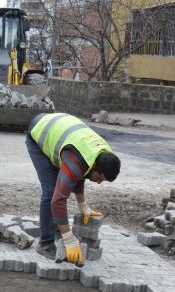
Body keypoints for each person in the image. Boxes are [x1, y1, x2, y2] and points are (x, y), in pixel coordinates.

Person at [26, 111, 121, 265]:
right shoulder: (79, 160)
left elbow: (82, 172)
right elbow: (58, 201)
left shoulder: (102, 154)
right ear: (96, 168)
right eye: (99, 178)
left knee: (62, 185)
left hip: (62, 131)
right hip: (39, 131)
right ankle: (45, 243)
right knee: (51, 192)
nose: (98, 182)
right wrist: (70, 240)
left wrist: (83, 207)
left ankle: (59, 231)